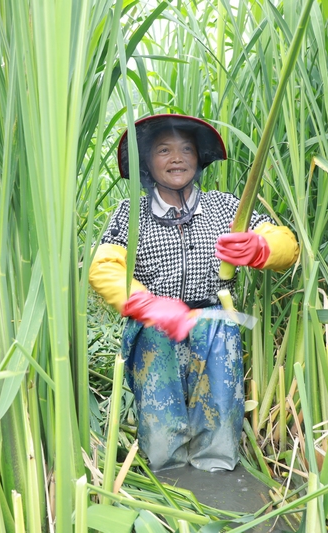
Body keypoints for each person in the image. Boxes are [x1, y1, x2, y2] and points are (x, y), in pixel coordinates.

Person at [89, 114, 299, 472]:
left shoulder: (226, 207)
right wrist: (148, 305)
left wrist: (260, 248)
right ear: (146, 163)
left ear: (199, 159)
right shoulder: (130, 213)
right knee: (160, 426)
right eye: (164, 150)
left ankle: (216, 488)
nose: (177, 158)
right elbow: (104, 266)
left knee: (219, 418)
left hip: (216, 325)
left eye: (186, 149)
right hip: (155, 328)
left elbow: (286, 243)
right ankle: (169, 495)